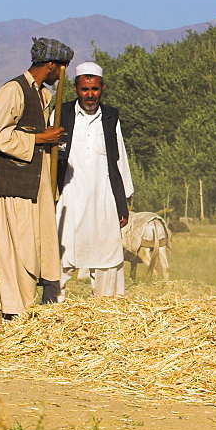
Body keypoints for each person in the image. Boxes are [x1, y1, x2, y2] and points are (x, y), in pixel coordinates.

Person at [0, 37, 72, 331]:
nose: (60, 75)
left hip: (37, 186)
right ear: (51, 65)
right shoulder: (13, 91)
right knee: (13, 250)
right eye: (61, 68)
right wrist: (41, 139)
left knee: (33, 247)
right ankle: (12, 315)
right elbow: (0, 137)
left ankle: (25, 313)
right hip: (12, 188)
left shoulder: (41, 95)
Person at [54, 62, 134, 300]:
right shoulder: (61, 113)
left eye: (95, 89)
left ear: (102, 88)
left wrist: (122, 203)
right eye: (85, 89)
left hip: (103, 199)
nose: (90, 95)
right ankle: (53, 308)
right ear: (75, 88)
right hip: (69, 199)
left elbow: (119, 160)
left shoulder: (110, 117)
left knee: (106, 254)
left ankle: (108, 308)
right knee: (61, 252)